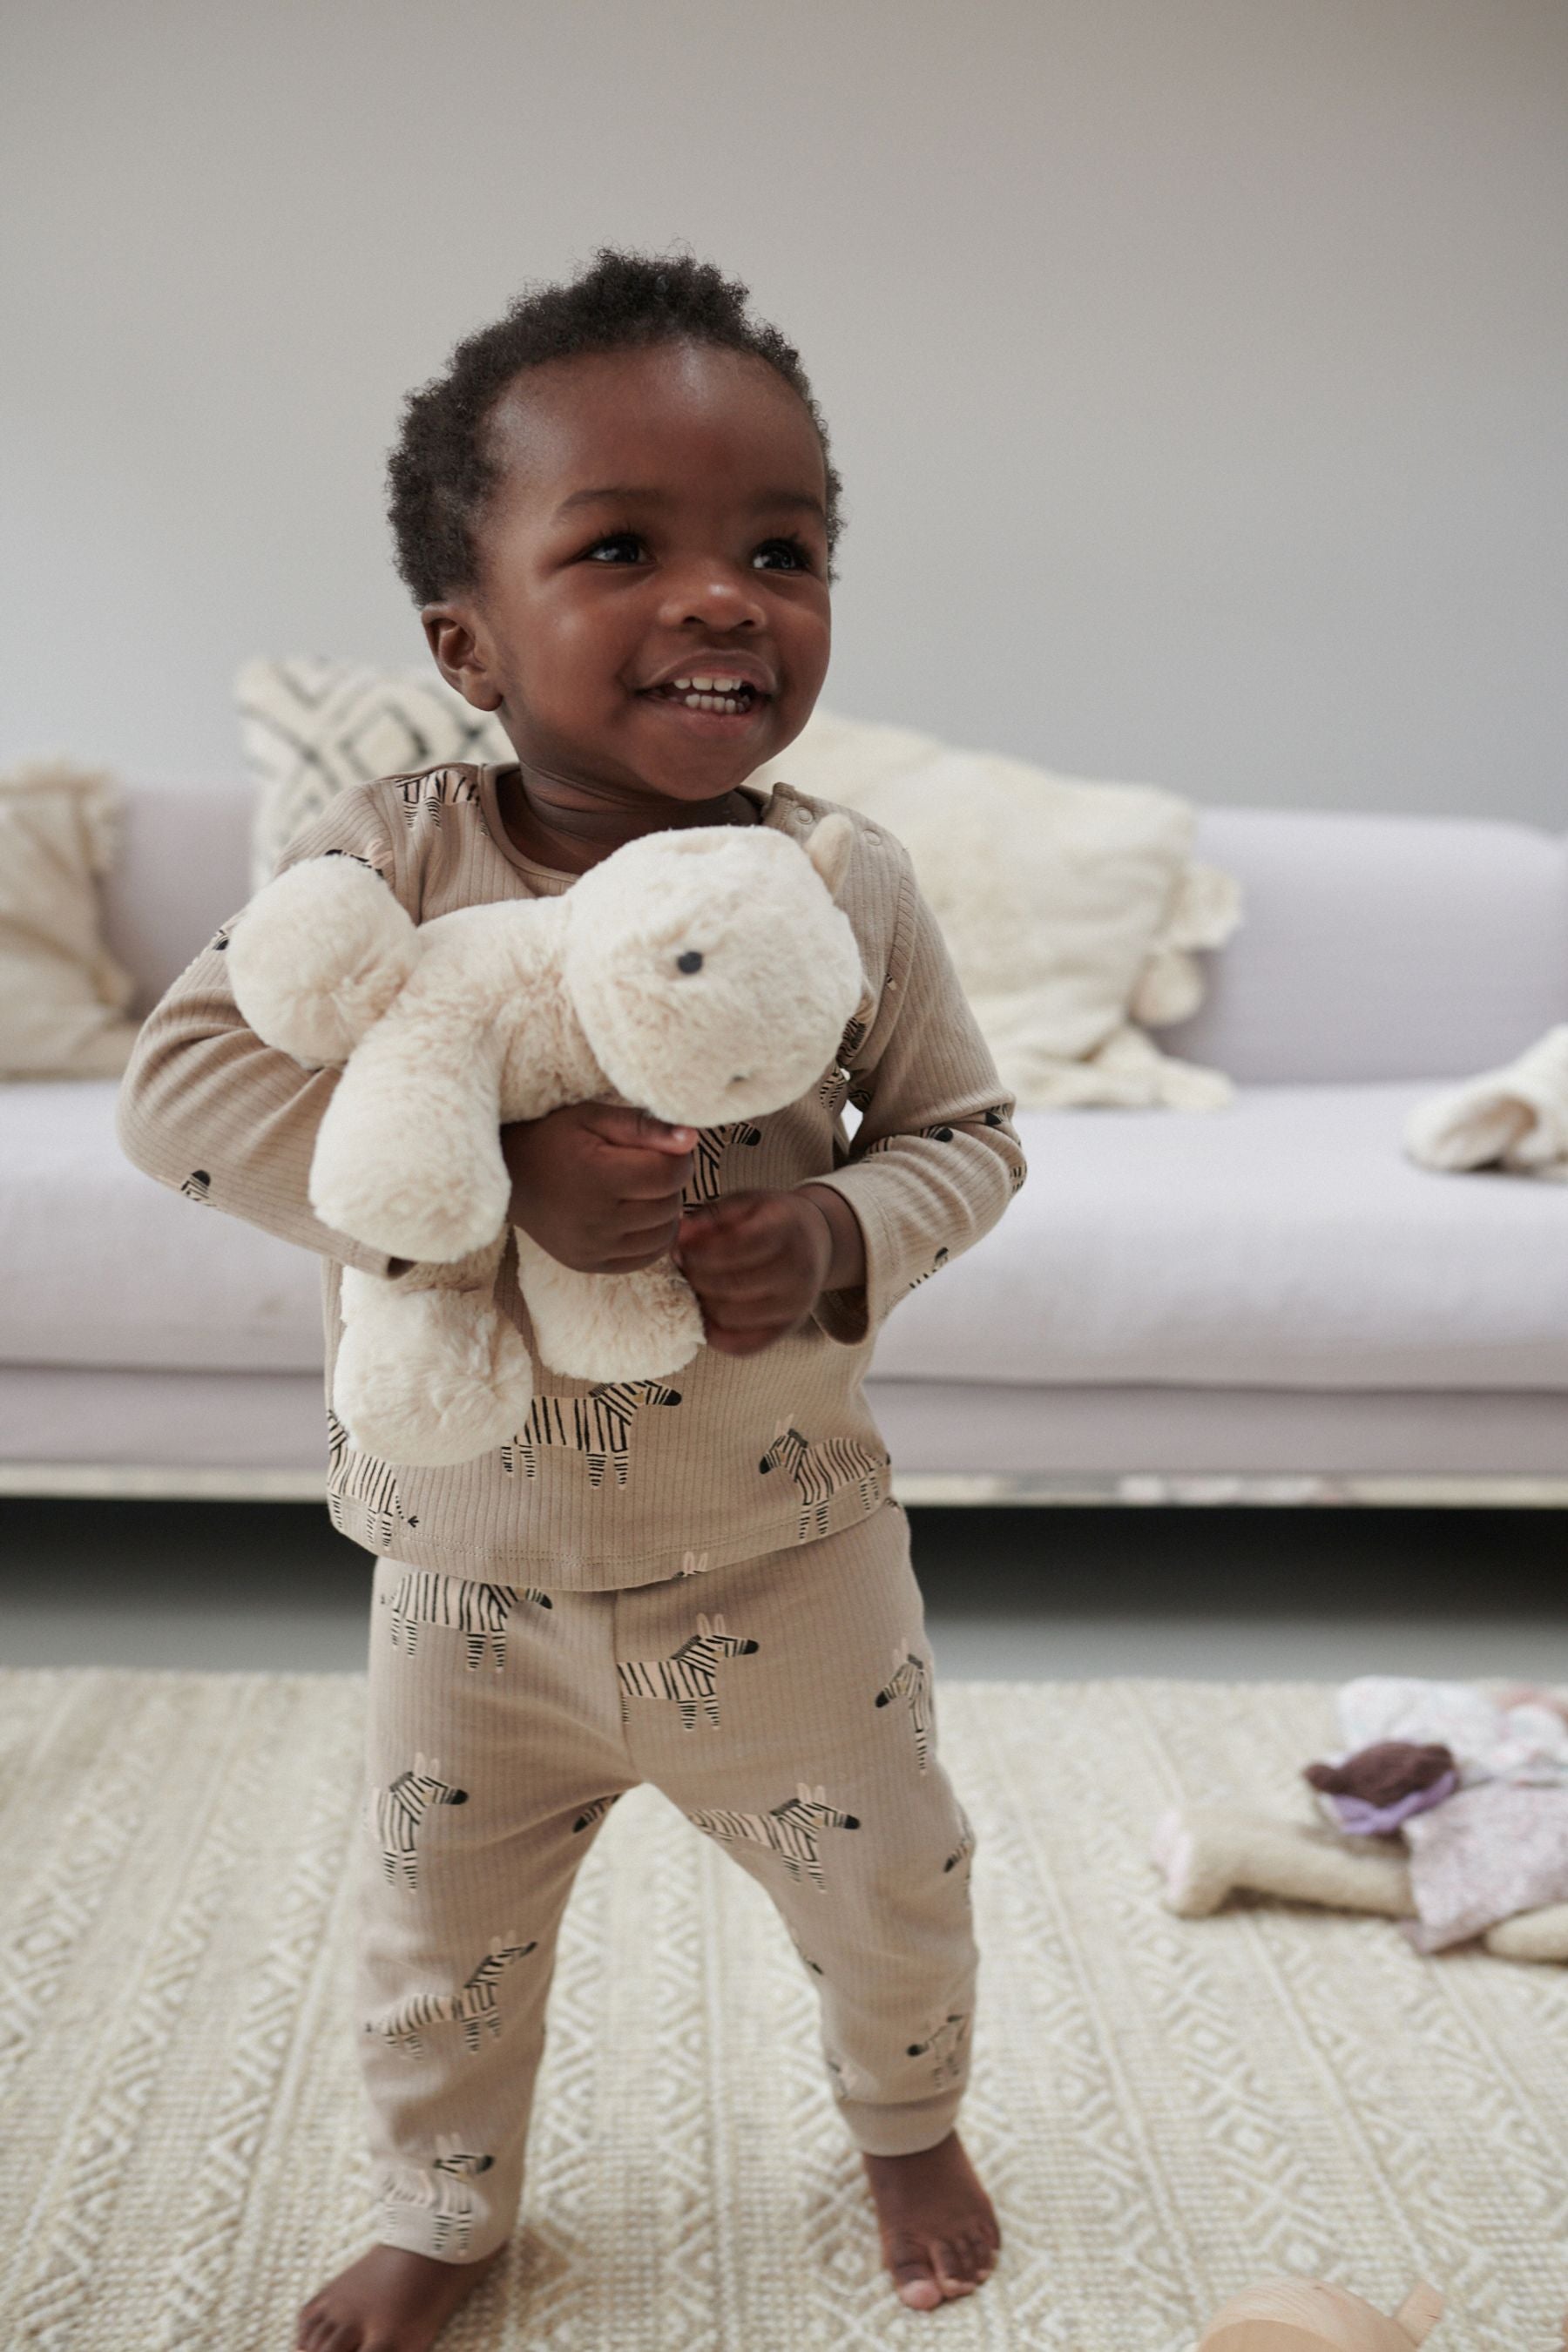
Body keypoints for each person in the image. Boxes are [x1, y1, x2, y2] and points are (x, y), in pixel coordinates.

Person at [118, 247, 1028, 2352]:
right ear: (468, 638)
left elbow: (968, 1135)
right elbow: (178, 1090)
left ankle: (908, 2119)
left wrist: (834, 1234)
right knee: (435, 1936)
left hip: (787, 1561)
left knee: (893, 1881)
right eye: (625, 547)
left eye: (780, 550)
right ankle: (448, 2211)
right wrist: (476, 1192)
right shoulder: (385, 862)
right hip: (473, 1580)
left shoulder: (844, 884)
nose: (724, 596)